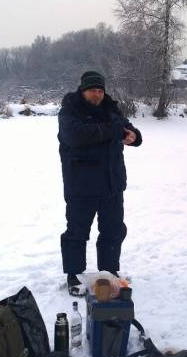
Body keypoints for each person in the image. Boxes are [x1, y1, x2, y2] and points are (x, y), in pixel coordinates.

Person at [58, 71, 142, 297]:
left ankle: (109, 271)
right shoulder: (70, 110)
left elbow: (128, 129)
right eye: (92, 90)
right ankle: (74, 274)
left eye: (100, 90)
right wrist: (112, 131)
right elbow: (75, 136)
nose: (97, 94)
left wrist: (134, 136)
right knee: (77, 232)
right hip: (81, 186)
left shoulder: (111, 109)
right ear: (83, 90)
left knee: (113, 231)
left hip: (112, 184)